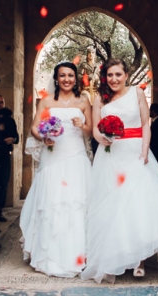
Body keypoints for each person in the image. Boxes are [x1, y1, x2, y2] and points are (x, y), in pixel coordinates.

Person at [81, 59, 158, 283]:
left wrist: (145, 150)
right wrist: (102, 137)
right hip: (110, 156)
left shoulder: (136, 93)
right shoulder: (100, 98)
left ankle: (140, 260)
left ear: (126, 75)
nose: (114, 79)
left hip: (135, 153)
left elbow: (146, 124)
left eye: (118, 74)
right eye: (110, 75)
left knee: (138, 203)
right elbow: (96, 129)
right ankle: (114, 254)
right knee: (112, 205)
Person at [19, 62, 93, 277]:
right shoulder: (47, 101)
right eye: (62, 75)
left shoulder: (83, 101)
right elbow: (34, 127)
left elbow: (90, 131)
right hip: (53, 157)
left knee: (76, 203)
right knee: (51, 202)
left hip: (76, 157)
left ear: (75, 78)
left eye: (70, 75)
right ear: (56, 78)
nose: (66, 79)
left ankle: (79, 254)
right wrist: (44, 137)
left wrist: (82, 126)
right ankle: (49, 255)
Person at [0, 95, 19, 222]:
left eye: (1, 102)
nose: (0, 105)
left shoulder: (9, 120)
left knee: (3, 183)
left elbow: (16, 137)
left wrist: (13, 139)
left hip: (4, 155)